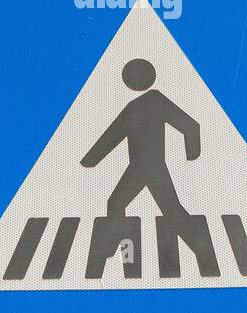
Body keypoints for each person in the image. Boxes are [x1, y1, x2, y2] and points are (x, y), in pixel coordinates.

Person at [81, 59, 200, 223]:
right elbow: (113, 135)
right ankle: (190, 232)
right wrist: (89, 161)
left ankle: (191, 232)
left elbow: (190, 126)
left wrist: (192, 155)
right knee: (121, 204)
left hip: (149, 167)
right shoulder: (140, 105)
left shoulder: (153, 101)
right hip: (141, 167)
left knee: (117, 204)